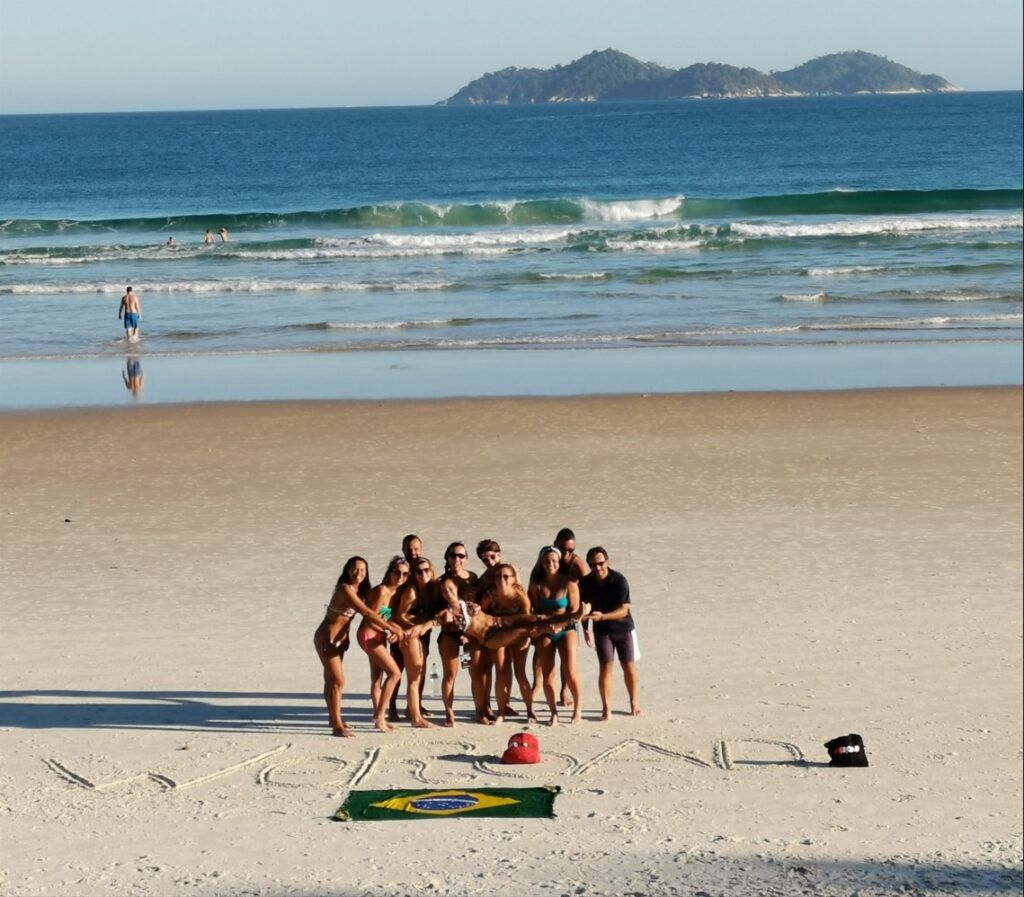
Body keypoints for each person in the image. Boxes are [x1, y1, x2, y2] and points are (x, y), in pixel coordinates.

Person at [313, 556, 401, 737]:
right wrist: (390, 628)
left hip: (341, 640)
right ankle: (337, 726)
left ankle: (333, 717)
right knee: (338, 681)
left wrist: (390, 624)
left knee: (331, 680)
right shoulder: (345, 589)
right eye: (355, 569)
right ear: (347, 569)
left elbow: (380, 609)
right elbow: (367, 612)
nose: (359, 573)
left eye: (363, 570)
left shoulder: (360, 590)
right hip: (326, 639)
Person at [580, 547, 640, 719]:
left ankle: (634, 702)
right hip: (601, 631)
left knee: (628, 666)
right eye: (593, 565)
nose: (597, 568)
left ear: (607, 561)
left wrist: (603, 616)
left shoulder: (619, 581)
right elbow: (583, 608)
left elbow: (623, 610)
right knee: (606, 667)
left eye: (600, 563)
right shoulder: (585, 583)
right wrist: (585, 629)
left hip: (623, 628)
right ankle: (606, 708)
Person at [529, 547, 583, 725]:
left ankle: (577, 709)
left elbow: (575, 614)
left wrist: (561, 626)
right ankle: (554, 712)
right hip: (546, 630)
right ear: (541, 563)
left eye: (554, 561)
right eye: (546, 561)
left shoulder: (568, 583)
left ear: (559, 563)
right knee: (548, 674)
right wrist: (539, 628)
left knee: (570, 671)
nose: (550, 564)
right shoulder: (537, 585)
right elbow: (534, 611)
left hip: (566, 629)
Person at [478, 562, 537, 723]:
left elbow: (529, 620)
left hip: (519, 633)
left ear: (513, 579)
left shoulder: (520, 596)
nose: (501, 579)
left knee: (520, 672)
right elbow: (481, 619)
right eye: (498, 576)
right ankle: (501, 711)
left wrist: (528, 637)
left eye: (506, 576)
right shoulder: (489, 596)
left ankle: (530, 711)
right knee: (501, 671)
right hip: (499, 635)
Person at [357, 556, 410, 732]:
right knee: (395, 673)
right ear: (390, 572)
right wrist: (392, 630)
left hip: (378, 634)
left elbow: (385, 617)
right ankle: (380, 717)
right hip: (369, 634)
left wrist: (394, 628)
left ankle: (378, 715)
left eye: (405, 574)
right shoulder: (381, 591)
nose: (401, 577)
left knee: (376, 678)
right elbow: (371, 619)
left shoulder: (394, 593)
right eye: (397, 572)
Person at [392, 557, 443, 728]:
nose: (424, 574)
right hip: (410, 635)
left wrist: (427, 624)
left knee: (420, 674)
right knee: (414, 676)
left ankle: (412, 710)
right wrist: (417, 627)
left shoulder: (433, 588)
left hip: (422, 634)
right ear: (414, 574)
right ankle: (415, 717)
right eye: (419, 571)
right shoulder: (412, 592)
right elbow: (399, 615)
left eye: (427, 570)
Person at [436, 542, 479, 726]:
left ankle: (480, 709)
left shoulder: (474, 578)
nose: (457, 559)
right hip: (450, 636)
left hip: (469, 636)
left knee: (472, 671)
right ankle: (449, 712)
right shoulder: (440, 582)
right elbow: (436, 610)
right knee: (450, 674)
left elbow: (480, 605)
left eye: (461, 556)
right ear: (447, 558)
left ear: (467, 559)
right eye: (453, 555)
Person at [387, 534, 426, 722]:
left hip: (419, 629)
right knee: (397, 669)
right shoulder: (397, 572)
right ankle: (392, 707)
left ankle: (415, 706)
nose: (413, 553)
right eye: (409, 549)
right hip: (399, 630)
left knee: (420, 669)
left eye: (416, 549)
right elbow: (384, 606)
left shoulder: (422, 570)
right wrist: (390, 624)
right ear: (403, 550)